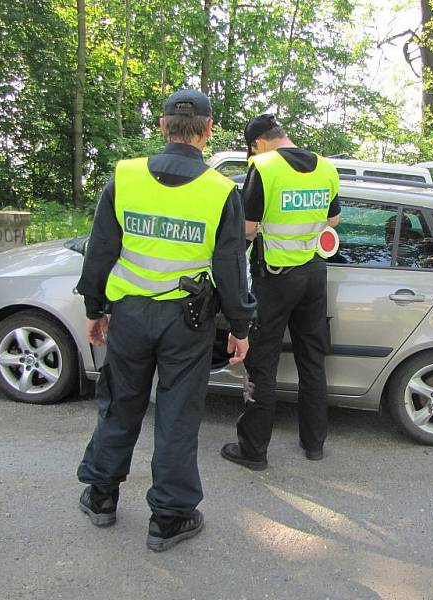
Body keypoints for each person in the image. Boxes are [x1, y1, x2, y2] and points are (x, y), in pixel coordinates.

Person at [75, 89, 255, 552]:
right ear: (209, 130)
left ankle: (101, 497)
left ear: (162, 126)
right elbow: (231, 269)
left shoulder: (126, 176)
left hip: (130, 315)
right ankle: (170, 519)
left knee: (119, 403)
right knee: (177, 417)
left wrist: (95, 310)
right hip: (187, 322)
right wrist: (239, 329)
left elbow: (101, 250)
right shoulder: (220, 190)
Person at [220, 114, 340, 470]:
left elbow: (247, 228)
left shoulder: (263, 166)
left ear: (257, 143)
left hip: (275, 277)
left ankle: (253, 450)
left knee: (262, 364)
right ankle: (314, 442)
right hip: (315, 274)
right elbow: (332, 222)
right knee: (312, 360)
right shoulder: (326, 167)